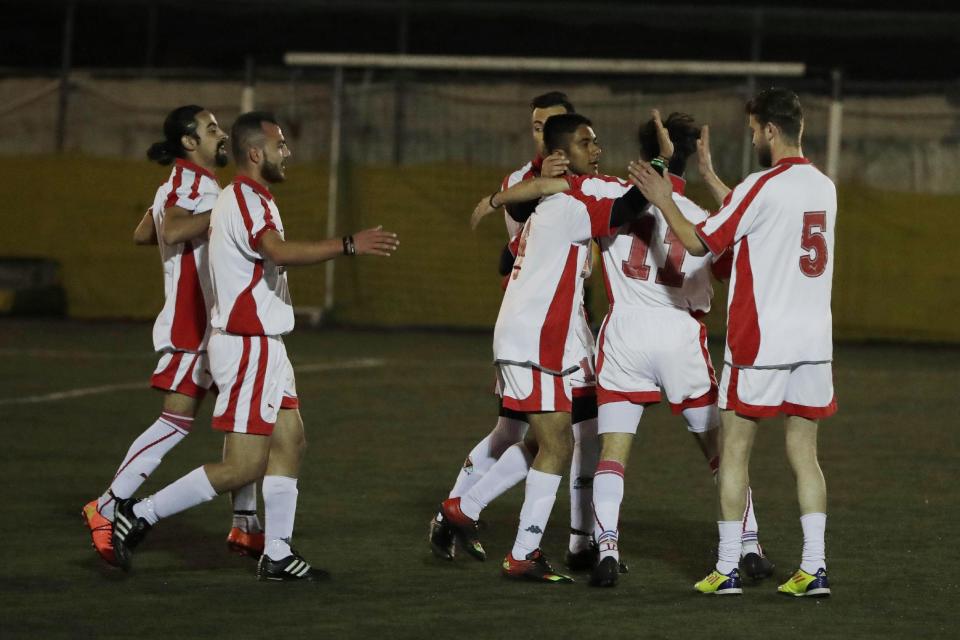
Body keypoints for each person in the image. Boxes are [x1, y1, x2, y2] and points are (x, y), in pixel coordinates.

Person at [109, 111, 400, 581]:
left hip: (267, 346)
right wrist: (348, 244)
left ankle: (278, 553)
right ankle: (139, 514)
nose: (287, 152)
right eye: (280, 145)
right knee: (243, 466)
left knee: (292, 441)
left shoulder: (248, 196)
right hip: (248, 347)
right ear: (255, 153)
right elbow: (278, 251)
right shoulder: (244, 197)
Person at [631, 88, 837, 597]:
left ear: (769, 130)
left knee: (735, 451)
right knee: (805, 455)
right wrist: (712, 180)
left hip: (760, 344)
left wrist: (662, 199)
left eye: (752, 131)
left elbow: (703, 239)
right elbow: (759, 214)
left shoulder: (758, 186)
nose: (752, 138)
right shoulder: (824, 186)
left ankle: (726, 569)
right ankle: (814, 569)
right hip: (813, 343)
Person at [444, 113, 651, 582]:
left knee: (543, 441)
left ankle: (468, 509)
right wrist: (662, 163)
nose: (596, 149)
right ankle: (518, 549)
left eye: (596, 141)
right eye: (585, 142)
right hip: (536, 338)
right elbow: (625, 209)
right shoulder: (571, 204)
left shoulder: (553, 199)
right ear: (561, 156)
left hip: (532, 336)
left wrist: (502, 196)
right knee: (558, 443)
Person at [585, 111, 771, 588]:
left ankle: (606, 548)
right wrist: (707, 175)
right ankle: (749, 544)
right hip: (680, 336)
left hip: (626, 332)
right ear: (693, 153)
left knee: (613, 452)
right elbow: (731, 261)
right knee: (719, 451)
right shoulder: (701, 218)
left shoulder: (609, 195)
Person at [82, 105, 263, 567]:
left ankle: (246, 525)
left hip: (218, 324)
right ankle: (106, 505)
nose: (221, 136)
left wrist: (178, 212)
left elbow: (146, 232)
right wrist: (223, 213)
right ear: (188, 142)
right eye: (211, 129)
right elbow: (173, 227)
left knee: (245, 423)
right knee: (175, 422)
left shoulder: (189, 183)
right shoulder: (192, 182)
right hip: (194, 326)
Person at [432, 92, 604, 572]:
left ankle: (574, 541)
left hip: (566, 328)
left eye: (550, 127)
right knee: (531, 433)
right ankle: (463, 512)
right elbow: (514, 257)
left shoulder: (554, 188)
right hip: (539, 330)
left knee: (570, 433)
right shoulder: (550, 190)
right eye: (536, 128)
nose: (543, 137)